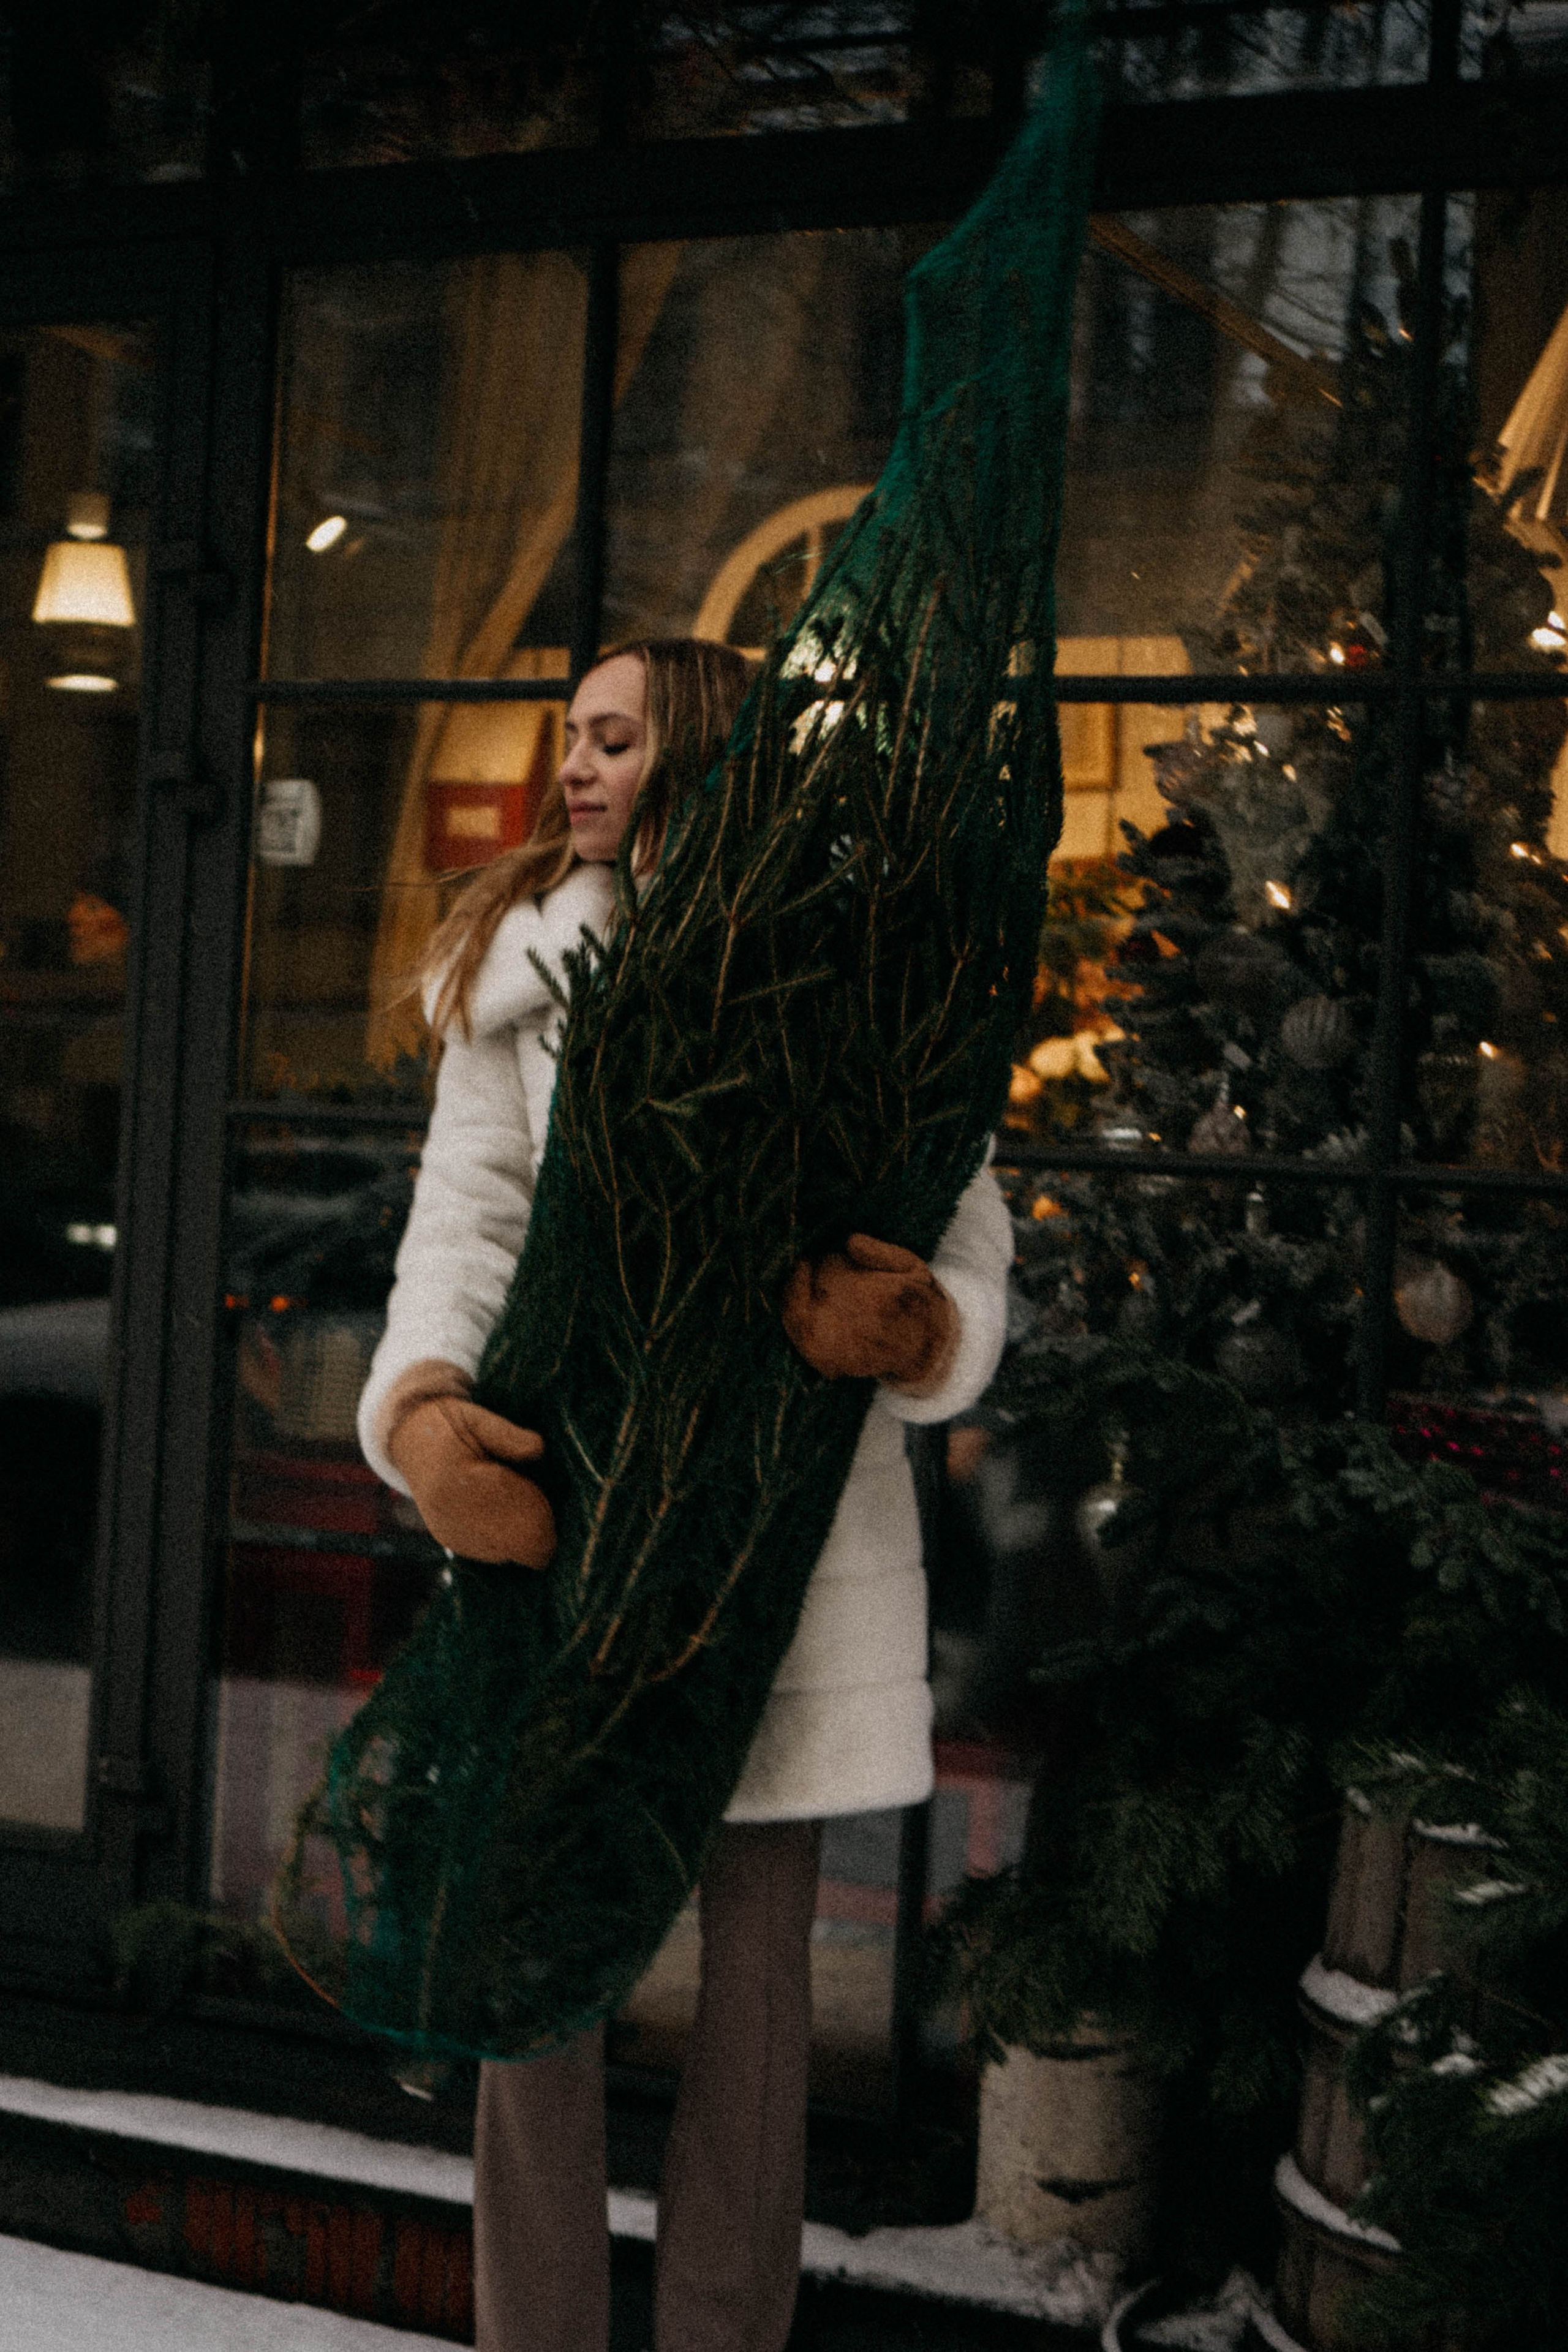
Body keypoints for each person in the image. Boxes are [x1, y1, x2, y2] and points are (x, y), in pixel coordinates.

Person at [356, 637, 1012, 2352]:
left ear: (703, 758)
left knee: (759, 1992)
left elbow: (968, 1226)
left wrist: (920, 1321)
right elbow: (467, 1220)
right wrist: (424, 1415)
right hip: (569, 1523)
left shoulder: (854, 971)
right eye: (570, 736)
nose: (575, 767)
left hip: (784, 1542)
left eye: (617, 740)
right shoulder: (522, 966)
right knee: (531, 1984)